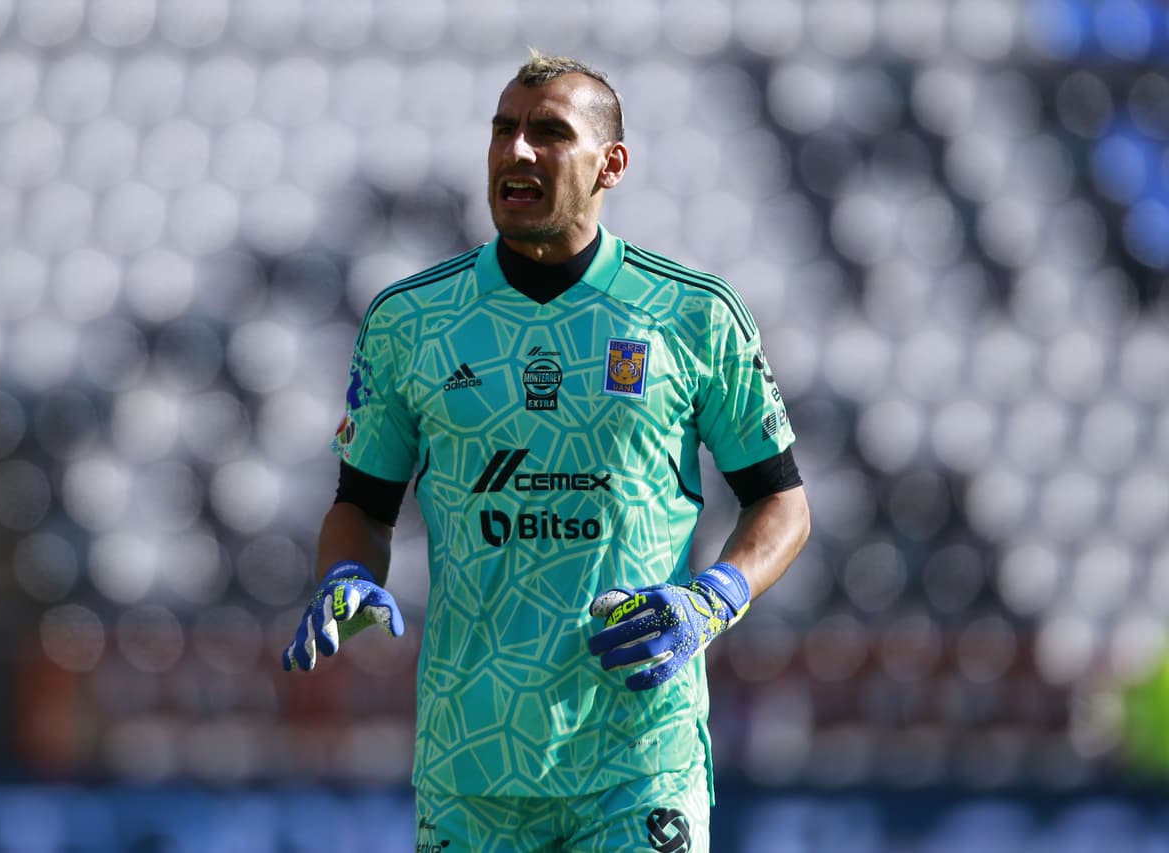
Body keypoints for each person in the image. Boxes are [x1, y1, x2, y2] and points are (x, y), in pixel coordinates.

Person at [283, 51, 810, 853]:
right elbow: (361, 505)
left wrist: (712, 600)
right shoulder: (411, 321)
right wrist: (347, 575)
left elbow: (783, 500)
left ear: (611, 164)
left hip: (639, 760)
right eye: (504, 130)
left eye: (549, 133)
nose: (516, 151)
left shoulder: (690, 315)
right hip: (472, 766)